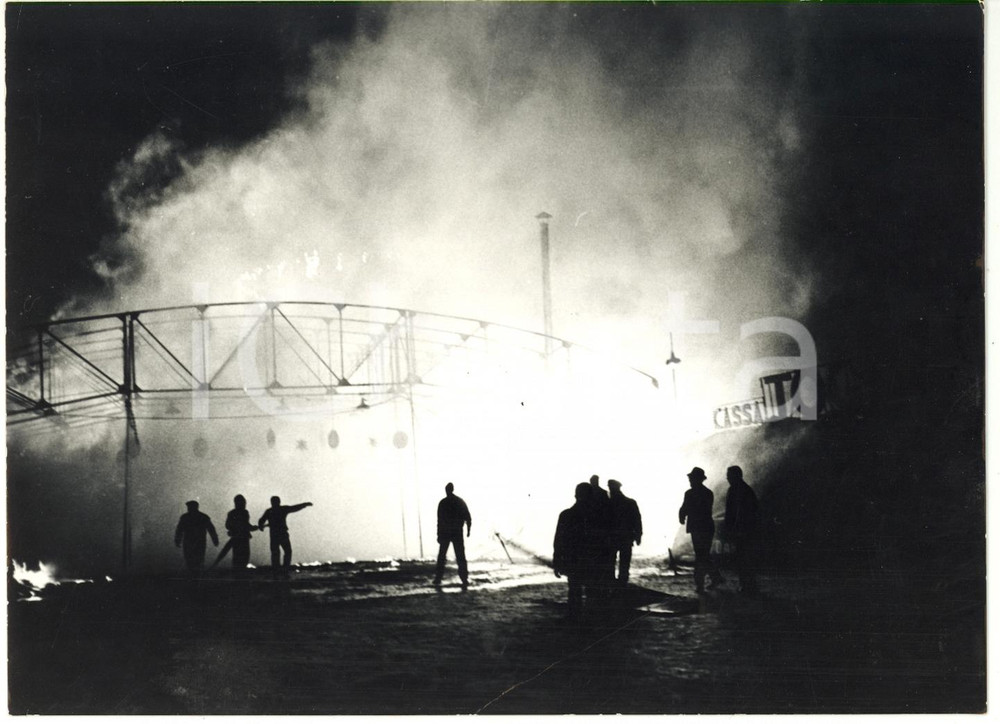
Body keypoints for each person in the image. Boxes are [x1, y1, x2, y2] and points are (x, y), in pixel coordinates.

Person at [554, 483, 604, 617]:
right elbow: (602, 541)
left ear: (576, 495)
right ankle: (590, 620)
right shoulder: (597, 517)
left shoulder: (565, 515)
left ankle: (574, 618)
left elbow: (559, 541)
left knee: (574, 590)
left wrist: (557, 561)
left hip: (573, 559)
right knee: (592, 591)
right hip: (591, 560)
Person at [678, 466, 722, 593]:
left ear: (697, 479)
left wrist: (682, 516)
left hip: (698, 528)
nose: (690, 481)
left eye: (691, 478)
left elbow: (684, 508)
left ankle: (701, 584)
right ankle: (714, 578)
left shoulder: (690, 493)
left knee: (700, 556)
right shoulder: (708, 493)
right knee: (703, 555)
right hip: (706, 527)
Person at [723, 465, 759, 594]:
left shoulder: (737, 490)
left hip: (742, 530)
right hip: (744, 529)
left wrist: (731, 529)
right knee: (744, 558)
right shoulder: (744, 489)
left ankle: (747, 586)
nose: (727, 477)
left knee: (743, 558)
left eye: (729, 475)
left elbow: (735, 513)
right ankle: (748, 585)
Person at [257, 496, 313, 576]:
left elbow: (261, 520)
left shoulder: (269, 511)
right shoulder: (281, 509)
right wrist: (305, 504)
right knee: (286, 551)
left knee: (277, 553)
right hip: (282, 534)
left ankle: (277, 570)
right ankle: (284, 569)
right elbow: (294, 508)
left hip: (274, 535)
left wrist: (261, 526)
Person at [433, 482, 472, 588]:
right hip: (455, 532)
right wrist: (468, 530)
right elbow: (467, 517)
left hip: (448, 532)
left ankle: (439, 578)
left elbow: (440, 520)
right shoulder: (458, 501)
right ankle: (463, 578)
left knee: (444, 556)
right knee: (458, 555)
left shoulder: (444, 503)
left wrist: (439, 534)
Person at [608, 479, 642, 587]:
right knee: (624, 562)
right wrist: (638, 535)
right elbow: (637, 520)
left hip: (613, 537)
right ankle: (622, 582)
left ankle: (615, 582)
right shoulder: (629, 502)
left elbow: (637, 520)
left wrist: (638, 534)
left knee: (611, 561)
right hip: (625, 537)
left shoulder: (608, 504)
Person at [212, 494, 254, 570]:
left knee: (238, 556)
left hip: (238, 537)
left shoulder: (234, 513)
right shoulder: (242, 513)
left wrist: (234, 530)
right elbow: (244, 525)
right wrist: (250, 528)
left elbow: (228, 525)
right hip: (243, 537)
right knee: (242, 556)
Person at [174, 500, 219, 571]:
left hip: (189, 542)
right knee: (198, 560)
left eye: (189, 507)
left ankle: (194, 577)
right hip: (199, 542)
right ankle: (198, 576)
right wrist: (215, 540)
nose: (188, 508)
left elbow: (179, 530)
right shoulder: (203, 517)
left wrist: (177, 540)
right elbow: (211, 529)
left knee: (190, 560)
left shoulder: (185, 517)